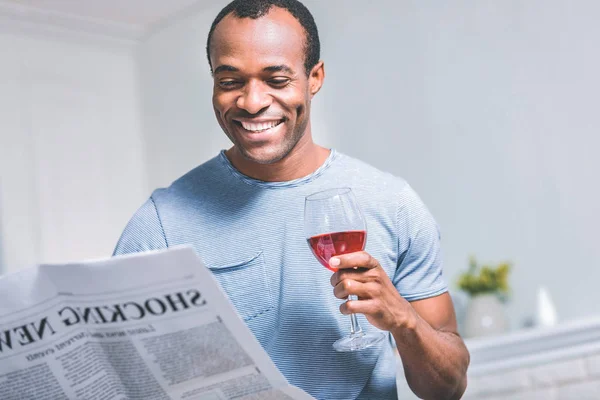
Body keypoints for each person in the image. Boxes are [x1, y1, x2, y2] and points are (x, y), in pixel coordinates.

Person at [114, 0, 469, 398]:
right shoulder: (160, 223)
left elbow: (448, 388)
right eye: (230, 81)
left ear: (314, 77)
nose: (251, 102)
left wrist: (405, 321)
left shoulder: (392, 203)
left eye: (276, 79)